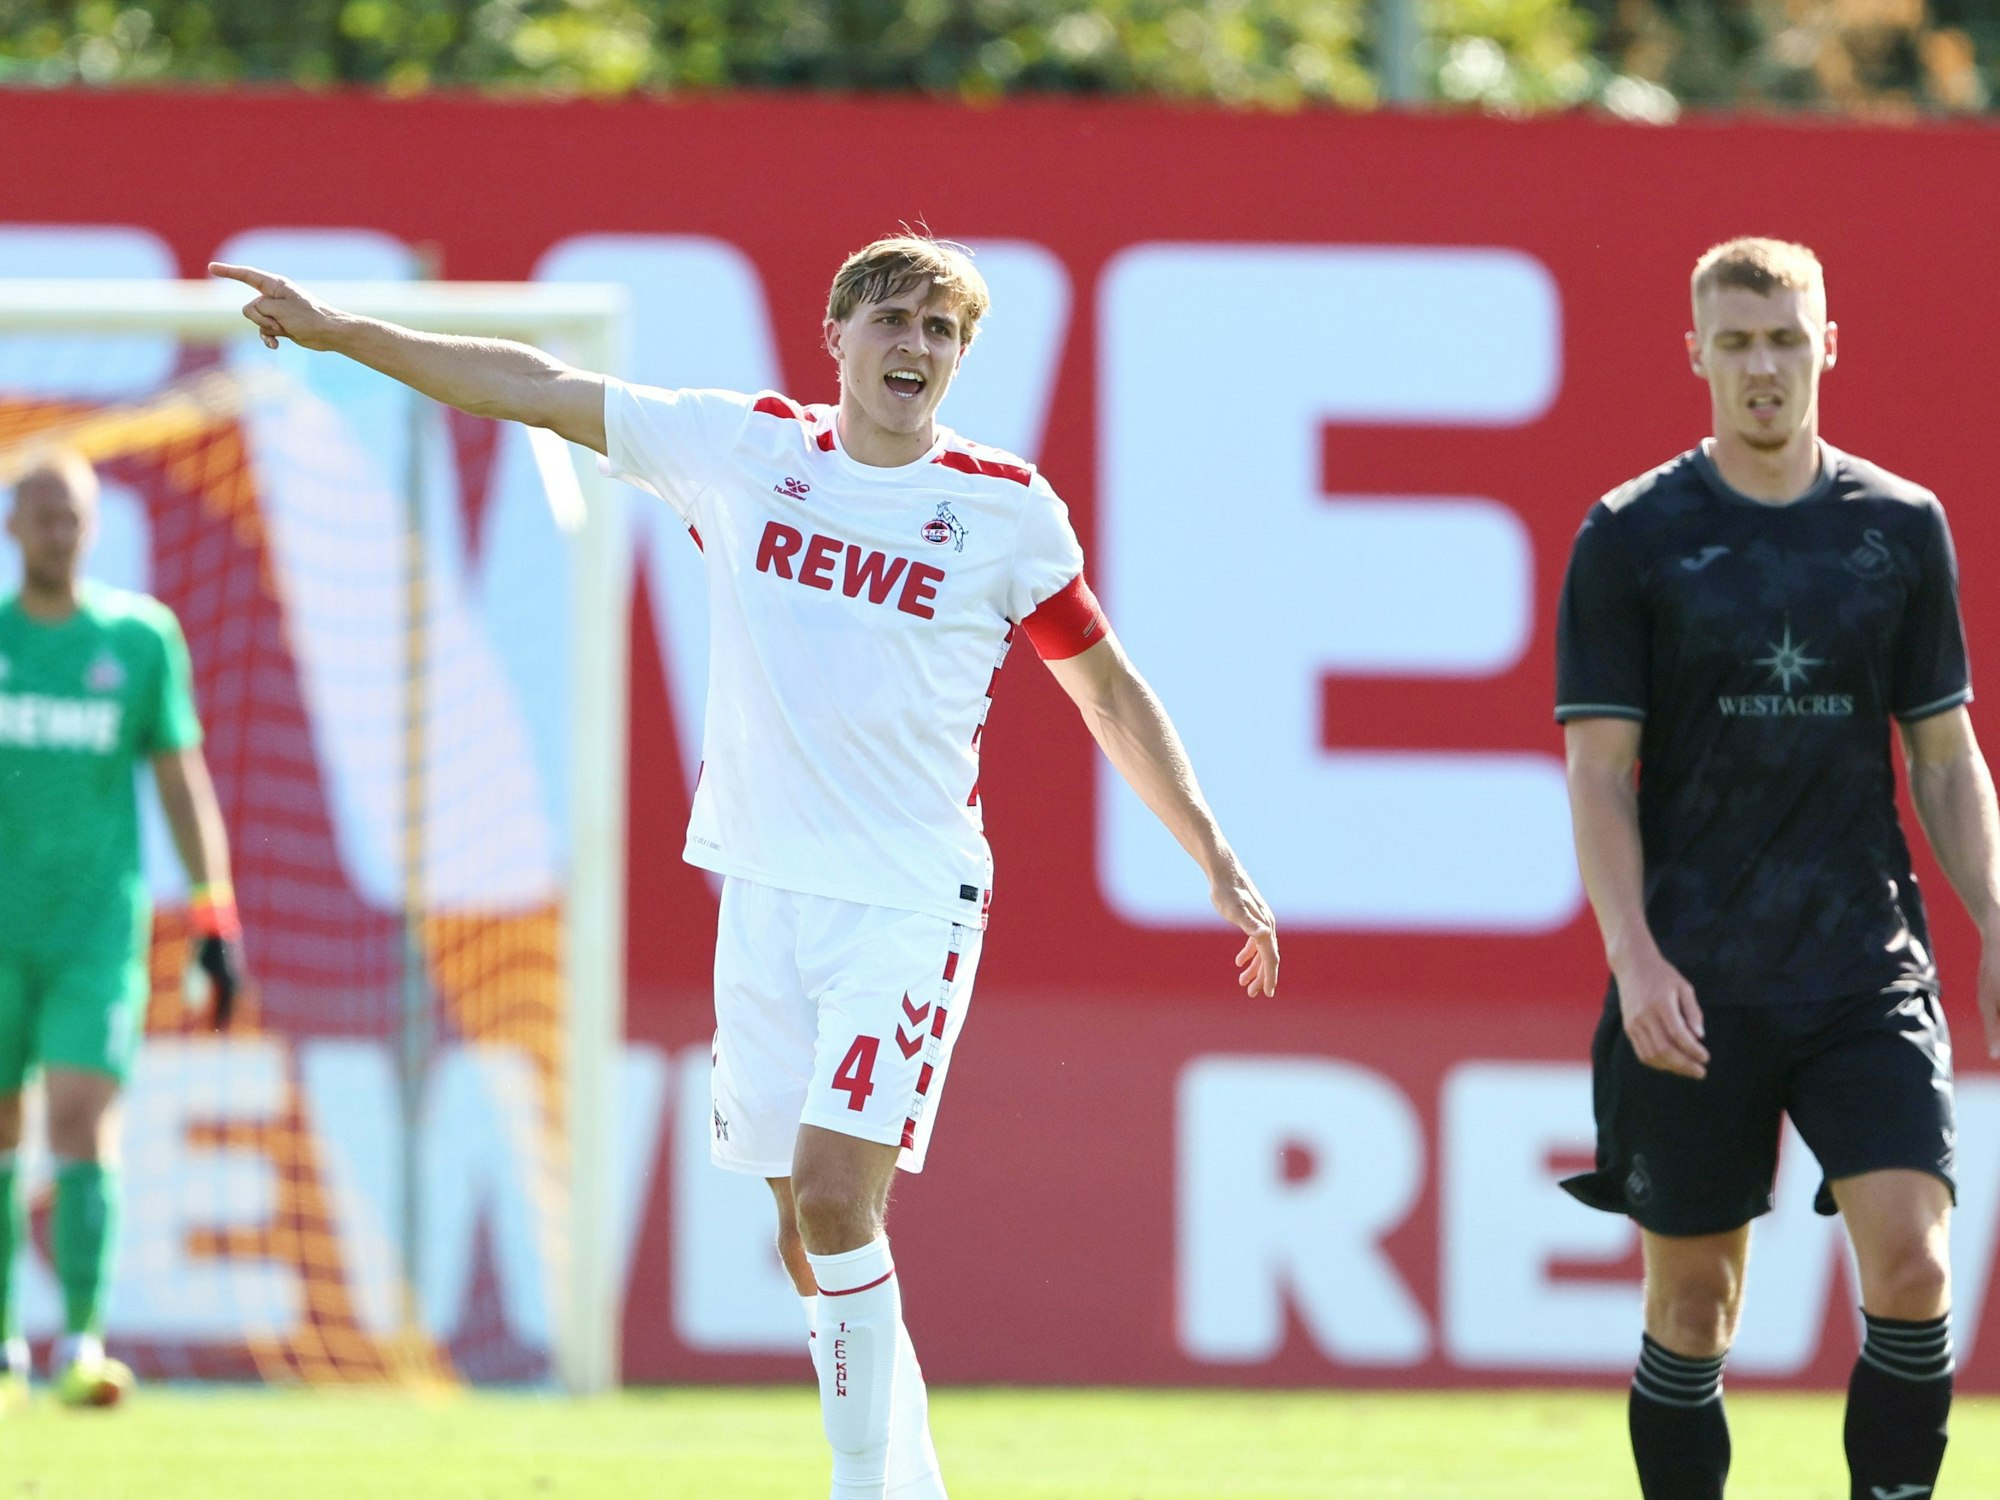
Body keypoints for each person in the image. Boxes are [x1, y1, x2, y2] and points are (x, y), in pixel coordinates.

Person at [212, 236, 1278, 1498]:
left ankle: (861, 1488)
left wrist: (1210, 850)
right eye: (893, 319)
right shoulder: (746, 451)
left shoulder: (1003, 508)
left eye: (943, 333)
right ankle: (911, 1480)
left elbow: (1103, 692)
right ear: (836, 334)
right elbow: (534, 387)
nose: (916, 349)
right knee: (802, 1228)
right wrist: (345, 335)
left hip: (907, 900)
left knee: (835, 1197)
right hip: (763, 892)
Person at [1556, 236, 2000, 1500]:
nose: (1763, 366)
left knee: (1912, 1267)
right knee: (1693, 1309)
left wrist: (1994, 921)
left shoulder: (1900, 528)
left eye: (1785, 338)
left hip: (1864, 967)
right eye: (1737, 340)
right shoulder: (1631, 537)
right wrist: (1634, 962)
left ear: (1827, 347)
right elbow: (1597, 774)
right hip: (1695, 983)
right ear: (1693, 351)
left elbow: (1942, 756)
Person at [0, 451, 242, 1411]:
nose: (59, 532)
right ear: (14, 525)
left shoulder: (140, 641)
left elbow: (182, 780)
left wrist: (213, 910)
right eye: (42, 515)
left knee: (80, 1123)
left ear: (94, 527)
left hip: (97, 934)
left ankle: (82, 1340)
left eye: (75, 516)